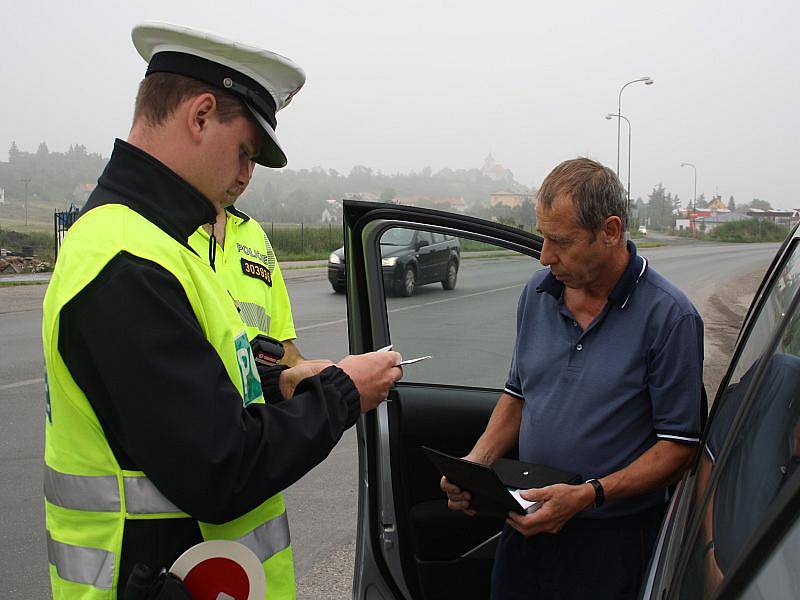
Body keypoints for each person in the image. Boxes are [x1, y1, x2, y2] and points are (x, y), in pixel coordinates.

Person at [42, 22, 402, 599]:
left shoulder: (156, 242)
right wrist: (340, 392)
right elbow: (219, 467)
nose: (245, 176)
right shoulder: (127, 261)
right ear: (201, 114)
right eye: (245, 152)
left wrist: (280, 381)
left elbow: (187, 392)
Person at [441, 157, 703, 599]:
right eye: (544, 238)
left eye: (559, 241)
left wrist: (588, 495)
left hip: (610, 539)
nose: (545, 256)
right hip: (525, 525)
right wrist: (476, 464)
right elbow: (518, 394)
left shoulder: (670, 317)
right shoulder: (537, 294)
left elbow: (678, 450)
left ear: (611, 231)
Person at [188, 171, 306, 366]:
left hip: (258, 393)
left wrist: (319, 376)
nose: (246, 173)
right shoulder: (164, 231)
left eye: (253, 160)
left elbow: (281, 345)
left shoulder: (255, 233)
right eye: (240, 152)